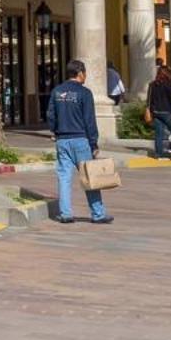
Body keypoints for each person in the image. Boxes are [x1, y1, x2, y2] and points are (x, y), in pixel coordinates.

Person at [47, 59, 111, 225]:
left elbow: (51, 116)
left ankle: (66, 214)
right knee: (90, 177)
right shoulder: (85, 93)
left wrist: (54, 131)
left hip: (62, 140)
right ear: (81, 73)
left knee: (64, 178)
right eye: (85, 73)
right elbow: (89, 120)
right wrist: (93, 143)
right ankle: (98, 214)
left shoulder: (56, 92)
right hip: (81, 140)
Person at [144, 63, 171, 160]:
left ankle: (158, 154)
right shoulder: (168, 85)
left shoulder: (152, 84)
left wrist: (150, 110)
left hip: (155, 112)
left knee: (159, 133)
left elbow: (149, 99)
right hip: (166, 111)